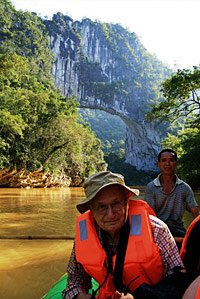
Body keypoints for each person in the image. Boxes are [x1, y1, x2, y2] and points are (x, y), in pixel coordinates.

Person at [62, 170, 189, 299]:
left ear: (127, 202)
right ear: (91, 209)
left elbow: (179, 282)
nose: (111, 215)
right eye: (102, 207)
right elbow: (74, 280)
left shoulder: (157, 230)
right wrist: (79, 296)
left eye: (116, 203)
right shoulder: (84, 234)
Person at [144, 149, 199, 238]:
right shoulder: (152, 187)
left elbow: (195, 212)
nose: (167, 164)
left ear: (176, 164)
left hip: (179, 232)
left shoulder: (184, 188)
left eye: (171, 160)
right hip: (158, 233)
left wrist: (196, 232)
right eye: (164, 160)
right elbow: (150, 216)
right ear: (159, 164)